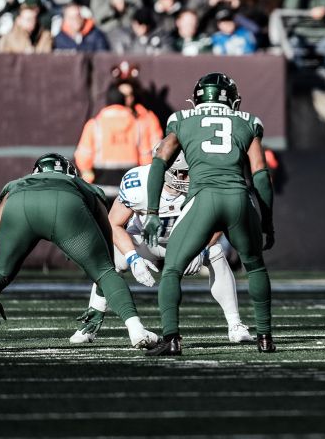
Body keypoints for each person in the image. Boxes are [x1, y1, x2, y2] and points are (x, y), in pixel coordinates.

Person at [0, 154, 159, 352]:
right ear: (70, 172)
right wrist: (100, 300)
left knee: (0, 271)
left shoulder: (17, 185)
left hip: (21, 205)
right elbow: (106, 257)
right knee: (105, 271)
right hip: (66, 206)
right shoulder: (81, 184)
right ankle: (136, 330)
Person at [141, 73, 275, 355]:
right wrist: (268, 222)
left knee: (173, 269)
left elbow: (158, 163)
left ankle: (172, 338)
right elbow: (261, 174)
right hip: (239, 198)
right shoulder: (248, 122)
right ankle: (265, 337)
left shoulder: (182, 119)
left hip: (202, 198)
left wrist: (152, 210)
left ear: (197, 98)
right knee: (256, 267)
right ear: (232, 100)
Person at [69, 146, 253, 346]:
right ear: (164, 170)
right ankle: (90, 324)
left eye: (190, 172)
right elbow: (114, 223)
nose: (188, 178)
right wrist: (132, 257)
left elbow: (221, 220)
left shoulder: (205, 180)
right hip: (145, 242)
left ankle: (235, 324)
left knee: (216, 252)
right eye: (182, 173)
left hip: (186, 242)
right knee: (109, 262)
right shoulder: (138, 182)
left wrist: (200, 247)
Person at [74, 86, 159, 196]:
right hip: (130, 186)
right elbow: (145, 156)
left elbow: (83, 155)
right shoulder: (137, 124)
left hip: (101, 185)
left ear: (108, 103)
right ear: (124, 102)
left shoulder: (95, 124)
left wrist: (86, 172)